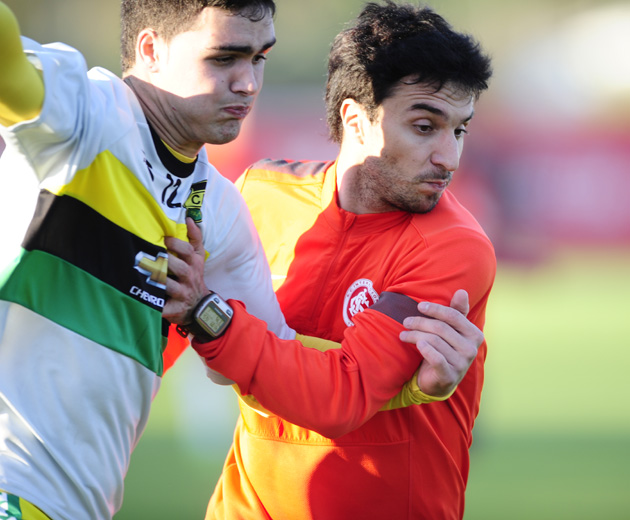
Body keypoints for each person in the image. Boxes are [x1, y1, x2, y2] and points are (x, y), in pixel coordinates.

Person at [0, 0, 483, 518]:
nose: (249, 83)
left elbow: (286, 371)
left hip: (76, 500)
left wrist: (407, 389)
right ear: (151, 50)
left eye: (258, 59)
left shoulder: (220, 208)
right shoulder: (83, 113)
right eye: (224, 58)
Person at [165, 2, 495, 519]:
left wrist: (208, 317)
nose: (449, 158)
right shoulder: (260, 194)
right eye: (424, 126)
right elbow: (163, 336)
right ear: (355, 120)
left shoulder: (453, 246)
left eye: (459, 130)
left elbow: (342, 398)